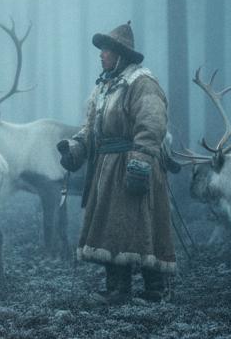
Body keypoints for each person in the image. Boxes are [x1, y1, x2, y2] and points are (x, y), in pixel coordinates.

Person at [57, 22, 176, 304]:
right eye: (101, 50)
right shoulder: (105, 88)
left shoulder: (142, 83)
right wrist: (75, 149)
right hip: (107, 170)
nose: (101, 55)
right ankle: (117, 289)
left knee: (144, 225)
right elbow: (91, 128)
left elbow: (152, 124)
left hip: (135, 163)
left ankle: (154, 290)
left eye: (106, 50)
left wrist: (140, 162)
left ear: (120, 54)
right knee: (112, 227)